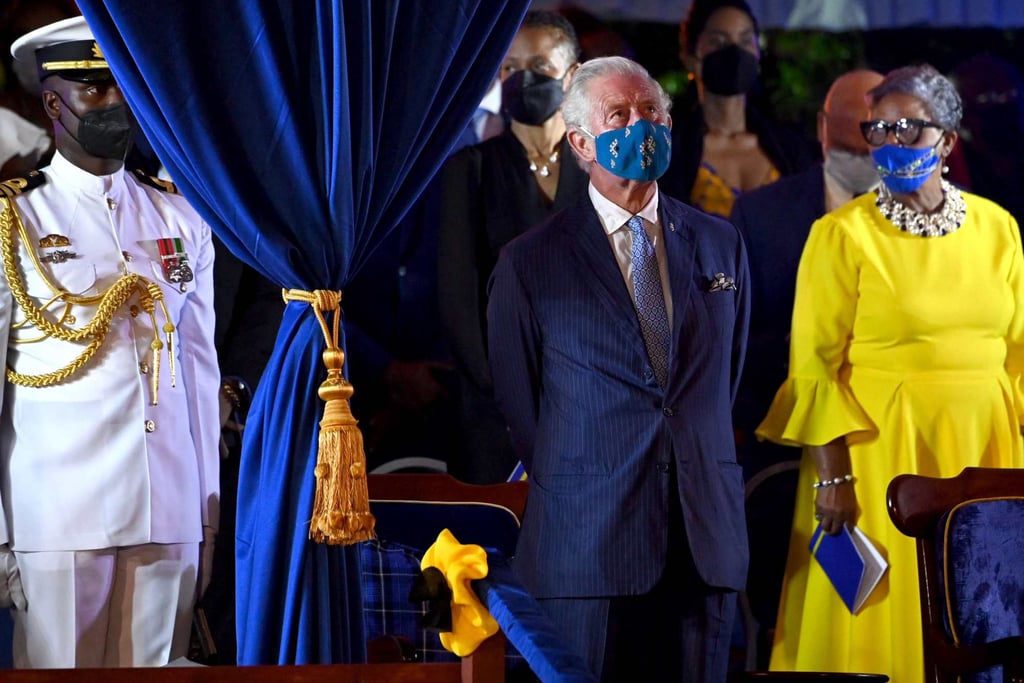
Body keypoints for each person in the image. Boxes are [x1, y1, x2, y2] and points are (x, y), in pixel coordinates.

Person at [756, 64, 1024, 680]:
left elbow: (1018, 356)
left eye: (909, 128)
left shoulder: (998, 228)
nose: (892, 142)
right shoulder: (840, 235)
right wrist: (831, 482)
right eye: (878, 130)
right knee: (891, 617)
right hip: (879, 456)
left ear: (948, 140)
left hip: (987, 447)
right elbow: (814, 368)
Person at [488, 55, 750, 681]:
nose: (643, 125)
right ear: (581, 141)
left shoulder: (721, 244)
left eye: (652, 111)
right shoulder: (531, 262)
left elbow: (722, 381)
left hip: (702, 543)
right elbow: (524, 411)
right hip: (587, 548)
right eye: (621, 115)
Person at [0, 16, 219, 667]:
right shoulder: (16, 219)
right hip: (58, 512)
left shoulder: (181, 215)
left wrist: (204, 518)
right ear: (52, 102)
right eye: (94, 89)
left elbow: (199, 376)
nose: (114, 103)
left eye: (123, 86)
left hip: (168, 506)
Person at [438, 10, 588, 484]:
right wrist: (507, 392)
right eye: (511, 68)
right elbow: (458, 297)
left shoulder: (602, 172)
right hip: (495, 408)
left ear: (573, 76)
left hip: (590, 404)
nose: (524, 78)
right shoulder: (471, 169)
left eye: (540, 67)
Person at [730, 69, 883, 477]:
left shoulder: (931, 217)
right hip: (787, 450)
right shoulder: (761, 216)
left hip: (893, 434)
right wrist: (801, 349)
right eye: (850, 149)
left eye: (874, 143)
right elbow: (733, 337)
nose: (862, 159)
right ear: (823, 128)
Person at [659, 0, 815, 218]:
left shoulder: (790, 146)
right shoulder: (670, 152)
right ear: (690, 56)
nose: (734, 52)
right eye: (718, 41)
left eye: (745, 40)